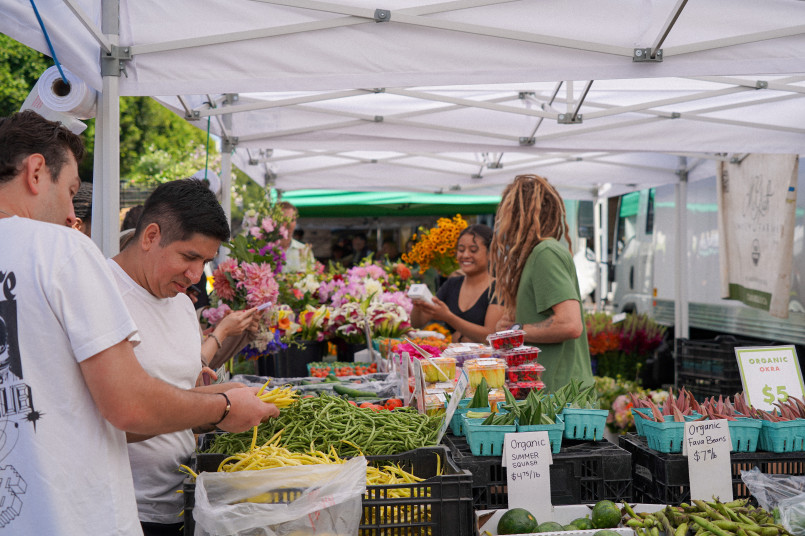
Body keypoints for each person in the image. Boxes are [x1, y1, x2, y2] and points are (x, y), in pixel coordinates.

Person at [0, 110, 275, 534]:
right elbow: (126, 405)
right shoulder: (62, 250)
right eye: (72, 191)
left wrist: (201, 402)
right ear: (36, 172)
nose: (73, 212)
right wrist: (221, 406)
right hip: (71, 515)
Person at [112, 179, 271, 535]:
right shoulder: (102, 293)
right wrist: (219, 407)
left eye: (206, 261)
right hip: (124, 513)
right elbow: (119, 416)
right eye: (189, 257)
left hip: (180, 501)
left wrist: (205, 394)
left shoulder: (183, 305)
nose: (196, 275)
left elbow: (176, 404)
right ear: (151, 236)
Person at [490, 174, 593, 391]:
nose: (502, 222)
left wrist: (516, 329)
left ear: (520, 213)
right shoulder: (535, 256)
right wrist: (510, 327)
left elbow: (569, 324)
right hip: (549, 395)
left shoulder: (545, 253)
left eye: (507, 212)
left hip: (560, 397)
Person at [410, 224, 504, 343]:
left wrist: (449, 317)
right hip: (453, 360)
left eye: (473, 250)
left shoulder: (498, 289)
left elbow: (491, 336)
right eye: (461, 250)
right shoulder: (452, 284)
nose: (465, 255)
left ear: (491, 253)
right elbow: (417, 323)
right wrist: (418, 305)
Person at [278, 201, 315, 273]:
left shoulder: (304, 249)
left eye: (292, 220)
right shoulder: (265, 250)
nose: (288, 224)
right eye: (284, 220)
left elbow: (311, 276)